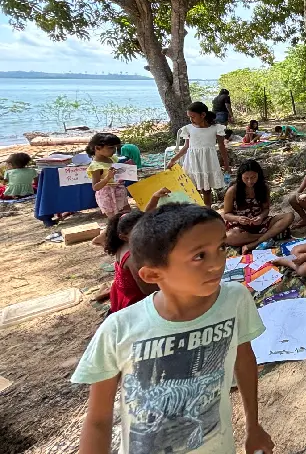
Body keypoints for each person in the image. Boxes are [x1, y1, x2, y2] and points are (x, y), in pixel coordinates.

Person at [71, 203, 274, 454]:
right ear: (153, 275)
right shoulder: (118, 329)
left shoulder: (235, 300)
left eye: (221, 247)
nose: (217, 263)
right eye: (199, 256)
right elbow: (98, 421)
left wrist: (253, 427)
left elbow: (244, 359)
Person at [96, 187, 170, 312]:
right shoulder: (134, 257)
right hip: (135, 301)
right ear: (124, 236)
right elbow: (148, 291)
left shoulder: (123, 242)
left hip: (120, 293)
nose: (146, 233)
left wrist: (155, 197)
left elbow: (146, 215)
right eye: (139, 231)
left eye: (146, 228)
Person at [222, 159, 293, 253]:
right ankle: (271, 235)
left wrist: (260, 217)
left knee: (289, 216)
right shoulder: (232, 191)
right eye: (246, 178)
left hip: (261, 223)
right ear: (240, 177)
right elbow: (226, 214)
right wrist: (238, 219)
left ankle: (255, 243)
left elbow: (266, 209)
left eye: (253, 177)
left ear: (258, 175)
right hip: (240, 227)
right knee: (229, 237)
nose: (250, 181)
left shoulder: (264, 188)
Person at [167, 102, 229, 207]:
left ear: (203, 115)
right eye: (189, 117)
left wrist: (226, 163)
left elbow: (222, 146)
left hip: (208, 161)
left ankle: (207, 212)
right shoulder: (188, 129)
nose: (191, 119)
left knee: (207, 189)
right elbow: (186, 147)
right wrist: (173, 159)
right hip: (192, 162)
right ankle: (194, 211)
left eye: (193, 117)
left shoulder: (215, 128)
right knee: (192, 188)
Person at [87, 132, 131, 218]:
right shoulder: (96, 166)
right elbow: (95, 187)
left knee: (128, 215)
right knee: (114, 219)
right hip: (108, 196)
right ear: (98, 148)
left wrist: (126, 169)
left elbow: (116, 173)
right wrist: (107, 178)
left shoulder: (112, 158)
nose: (114, 150)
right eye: (111, 148)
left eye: (115, 147)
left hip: (119, 192)